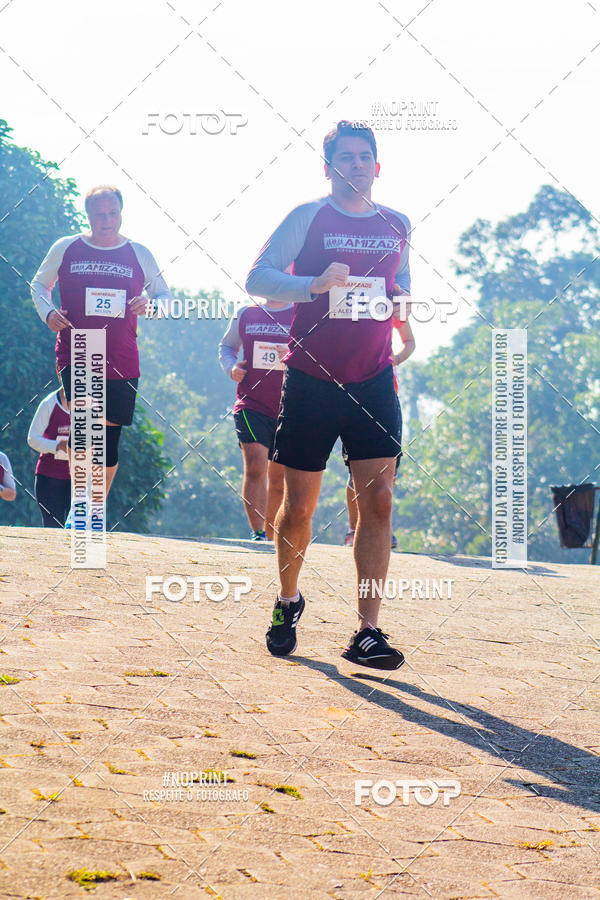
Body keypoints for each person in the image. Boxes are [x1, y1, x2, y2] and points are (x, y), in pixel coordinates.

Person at [246, 120, 411, 670]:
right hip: (311, 379)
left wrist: (404, 315)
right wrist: (312, 285)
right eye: (346, 156)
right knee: (298, 508)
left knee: (379, 501)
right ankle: (288, 601)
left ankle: (367, 631)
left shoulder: (397, 223)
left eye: (366, 156)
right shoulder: (308, 217)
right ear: (329, 166)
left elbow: (398, 285)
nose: (357, 164)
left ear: (378, 165)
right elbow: (258, 278)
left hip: (374, 380)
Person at [30, 185, 171, 525]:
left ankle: (93, 510)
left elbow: (165, 296)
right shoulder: (67, 247)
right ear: (88, 216)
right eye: (99, 214)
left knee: (107, 439)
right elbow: (38, 284)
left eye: (113, 213)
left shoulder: (139, 253)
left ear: (121, 214)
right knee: (85, 427)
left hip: (122, 358)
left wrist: (151, 306)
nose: (106, 220)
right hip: (78, 349)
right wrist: (48, 313)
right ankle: (80, 511)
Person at [219, 300, 293, 540]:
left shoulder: (300, 312)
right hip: (251, 404)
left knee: (280, 480)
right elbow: (227, 346)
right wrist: (231, 368)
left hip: (289, 407)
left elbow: (319, 351)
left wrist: (292, 354)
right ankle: (258, 532)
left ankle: (272, 535)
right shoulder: (247, 313)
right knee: (255, 465)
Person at [344, 317, 415, 549]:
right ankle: (354, 529)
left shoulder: (391, 299)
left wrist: (395, 359)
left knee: (388, 470)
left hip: (384, 397)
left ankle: (383, 528)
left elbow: (409, 341)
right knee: (354, 472)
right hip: (348, 393)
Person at [27, 385, 71, 527]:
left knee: (79, 529)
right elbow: (32, 439)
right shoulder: (49, 403)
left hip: (79, 480)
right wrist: (57, 445)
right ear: (59, 375)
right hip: (50, 478)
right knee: (54, 529)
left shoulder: (91, 404)